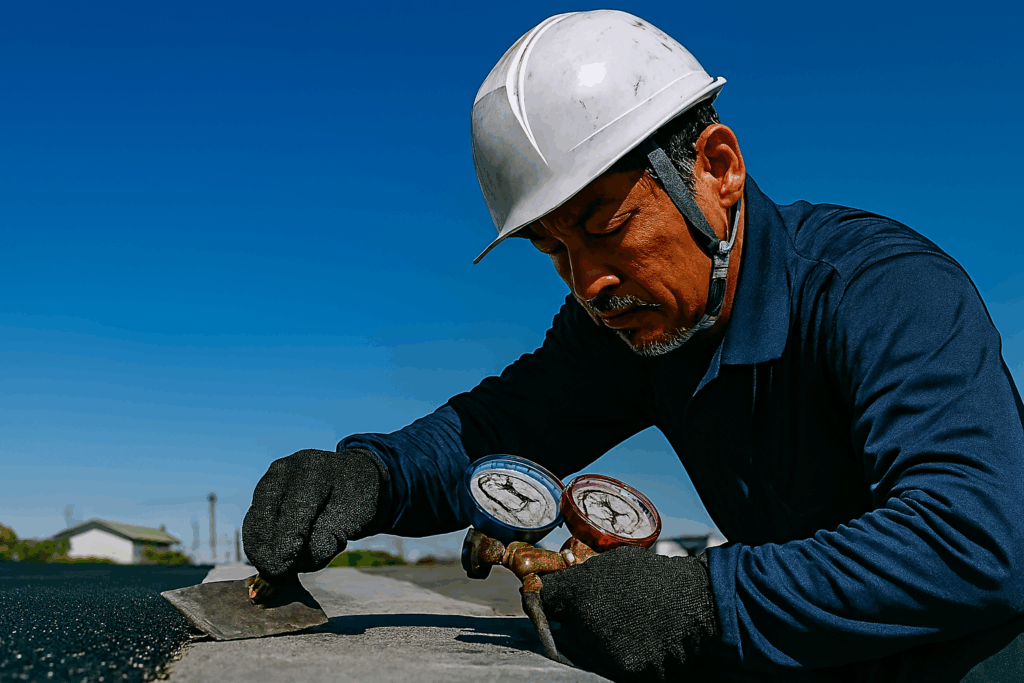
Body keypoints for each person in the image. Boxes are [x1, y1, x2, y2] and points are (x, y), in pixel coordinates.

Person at [241, 10, 1024, 682]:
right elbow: (499, 431)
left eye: (607, 226)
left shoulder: (882, 291)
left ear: (717, 169)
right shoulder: (632, 328)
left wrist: (704, 601)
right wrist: (372, 477)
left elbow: (978, 535)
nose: (589, 282)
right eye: (555, 251)